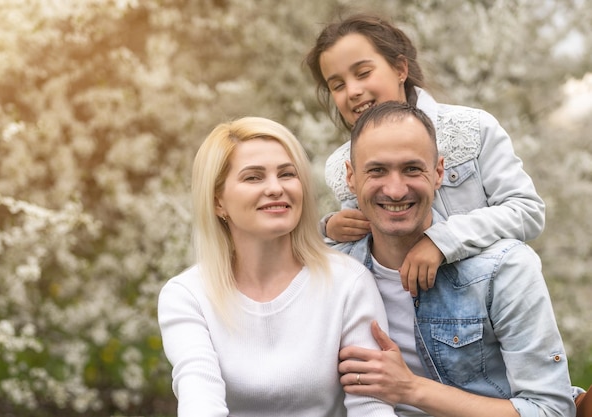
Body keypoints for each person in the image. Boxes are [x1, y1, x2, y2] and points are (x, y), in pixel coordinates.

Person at [332, 100, 577, 417]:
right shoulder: (331, 273)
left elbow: (552, 410)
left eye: (412, 169)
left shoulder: (504, 270)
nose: (395, 190)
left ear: (438, 173)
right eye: (377, 170)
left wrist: (411, 389)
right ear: (351, 178)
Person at [157, 116, 398, 417]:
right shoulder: (188, 296)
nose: (275, 188)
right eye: (253, 177)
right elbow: (199, 399)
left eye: (287, 174)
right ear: (218, 202)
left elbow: (370, 407)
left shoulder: (348, 282)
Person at [305, 13, 545, 297]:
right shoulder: (340, 165)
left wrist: (442, 241)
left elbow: (526, 212)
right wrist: (329, 228)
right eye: (338, 85)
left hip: (487, 308)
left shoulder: (472, 128)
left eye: (363, 73)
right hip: (404, 319)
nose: (353, 91)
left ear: (400, 69)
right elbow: (363, 254)